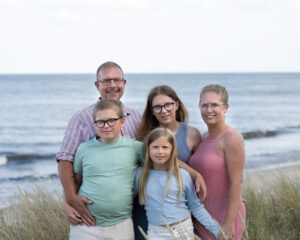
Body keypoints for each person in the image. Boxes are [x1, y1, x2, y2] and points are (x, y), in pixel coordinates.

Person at [56, 61, 142, 227]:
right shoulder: (81, 118)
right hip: (94, 215)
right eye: (106, 81)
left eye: (117, 80)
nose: (112, 86)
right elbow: (65, 160)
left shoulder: (137, 116)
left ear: (124, 83)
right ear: (97, 85)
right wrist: (69, 199)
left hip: (133, 208)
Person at [69, 99, 144, 240]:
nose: (106, 126)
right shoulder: (84, 149)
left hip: (122, 226)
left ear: (122, 122)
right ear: (95, 124)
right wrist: (68, 204)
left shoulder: (135, 148)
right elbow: (76, 182)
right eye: (100, 122)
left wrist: (194, 175)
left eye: (112, 120)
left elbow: (164, 163)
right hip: (86, 226)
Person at [134, 128, 220, 240]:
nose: (160, 151)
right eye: (155, 147)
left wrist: (217, 230)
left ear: (172, 149)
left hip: (183, 231)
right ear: (148, 149)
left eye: (165, 147)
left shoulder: (182, 175)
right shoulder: (141, 174)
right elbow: (129, 196)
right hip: (156, 233)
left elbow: (195, 206)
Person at [188, 84, 246, 240]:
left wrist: (228, 223)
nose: (208, 110)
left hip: (224, 215)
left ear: (225, 108)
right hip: (202, 215)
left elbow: (236, 183)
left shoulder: (231, 137)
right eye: (204, 105)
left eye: (214, 105)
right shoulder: (204, 136)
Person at [136, 85, 202, 164]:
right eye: (157, 107)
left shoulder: (192, 134)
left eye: (168, 105)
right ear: (152, 110)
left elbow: (199, 168)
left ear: (176, 105)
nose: (163, 111)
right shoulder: (144, 134)